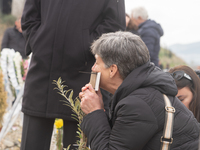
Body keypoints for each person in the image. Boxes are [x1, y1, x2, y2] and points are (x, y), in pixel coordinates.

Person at [20, 0, 125, 150]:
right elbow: (30, 16)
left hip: (84, 74)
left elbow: (114, 24)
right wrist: (39, 42)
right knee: (31, 143)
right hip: (42, 71)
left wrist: (86, 46)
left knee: (77, 145)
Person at [79, 31, 199, 149]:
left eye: (97, 62)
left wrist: (94, 112)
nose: (93, 68)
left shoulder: (138, 104)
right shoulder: (142, 93)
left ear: (112, 70)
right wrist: (98, 109)